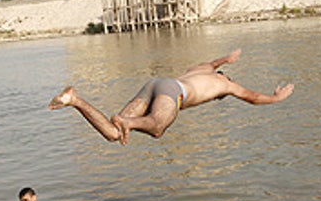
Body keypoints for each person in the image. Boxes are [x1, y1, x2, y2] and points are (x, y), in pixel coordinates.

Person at [49, 49, 294, 144]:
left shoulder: (202, 70)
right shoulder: (224, 84)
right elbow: (252, 97)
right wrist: (277, 99)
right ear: (225, 78)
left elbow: (210, 62)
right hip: (173, 93)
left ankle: (75, 99)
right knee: (157, 129)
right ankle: (129, 123)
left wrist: (226, 59)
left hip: (156, 84)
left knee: (113, 135)